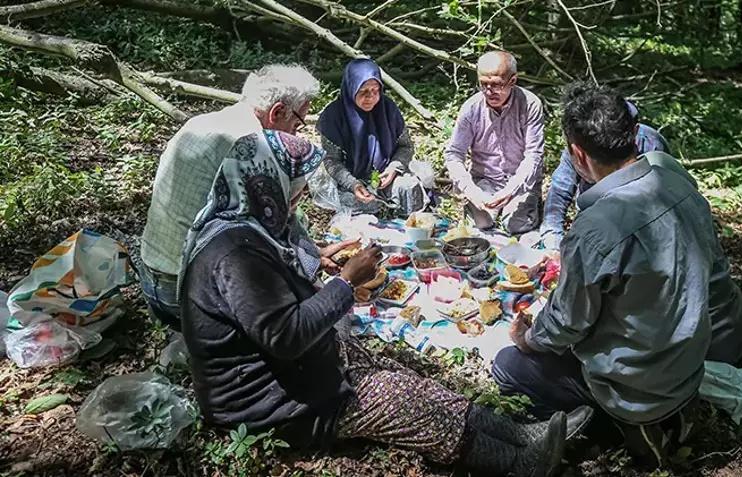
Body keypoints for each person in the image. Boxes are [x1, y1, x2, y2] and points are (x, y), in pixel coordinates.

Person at [178, 128, 594, 477]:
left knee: (408, 379)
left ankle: (522, 434)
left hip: (295, 368)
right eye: (295, 187)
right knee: (401, 401)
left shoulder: (247, 227)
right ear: (265, 182)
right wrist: (344, 282)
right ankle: (519, 463)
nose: (299, 198)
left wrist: (321, 267)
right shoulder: (235, 255)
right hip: (266, 399)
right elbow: (284, 336)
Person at [492, 84, 735, 467]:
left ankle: (616, 430)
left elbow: (566, 326)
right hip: (688, 367)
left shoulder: (595, 229)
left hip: (635, 388)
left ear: (578, 155)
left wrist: (528, 338)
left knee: (508, 366)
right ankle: (662, 416)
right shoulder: (678, 183)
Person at [139, 64, 353, 330]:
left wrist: (311, 250)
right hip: (184, 294)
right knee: (315, 316)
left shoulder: (203, 122)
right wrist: (320, 269)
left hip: (151, 275)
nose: (296, 134)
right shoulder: (252, 147)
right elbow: (272, 235)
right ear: (277, 112)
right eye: (296, 125)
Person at [540, 99, 674, 250]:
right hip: (592, 215)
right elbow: (560, 190)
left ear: (635, 131)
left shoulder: (652, 145)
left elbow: (663, 200)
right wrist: (553, 239)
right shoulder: (582, 144)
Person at [444, 51, 545, 235]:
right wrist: (471, 190)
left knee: (516, 225)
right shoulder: (471, 108)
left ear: (512, 81)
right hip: (485, 181)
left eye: (497, 85)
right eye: (484, 84)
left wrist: (510, 190)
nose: (489, 92)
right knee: (481, 224)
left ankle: (528, 206)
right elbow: (453, 154)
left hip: (520, 182)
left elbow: (534, 155)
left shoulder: (530, 105)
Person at [317, 58, 426, 216]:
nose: (370, 97)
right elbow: (331, 161)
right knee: (349, 202)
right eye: (363, 92)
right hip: (350, 183)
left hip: (384, 178)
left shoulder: (388, 109)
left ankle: (402, 221)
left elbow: (405, 146)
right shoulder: (333, 116)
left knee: (409, 187)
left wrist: (393, 168)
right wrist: (353, 184)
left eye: (375, 91)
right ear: (351, 88)